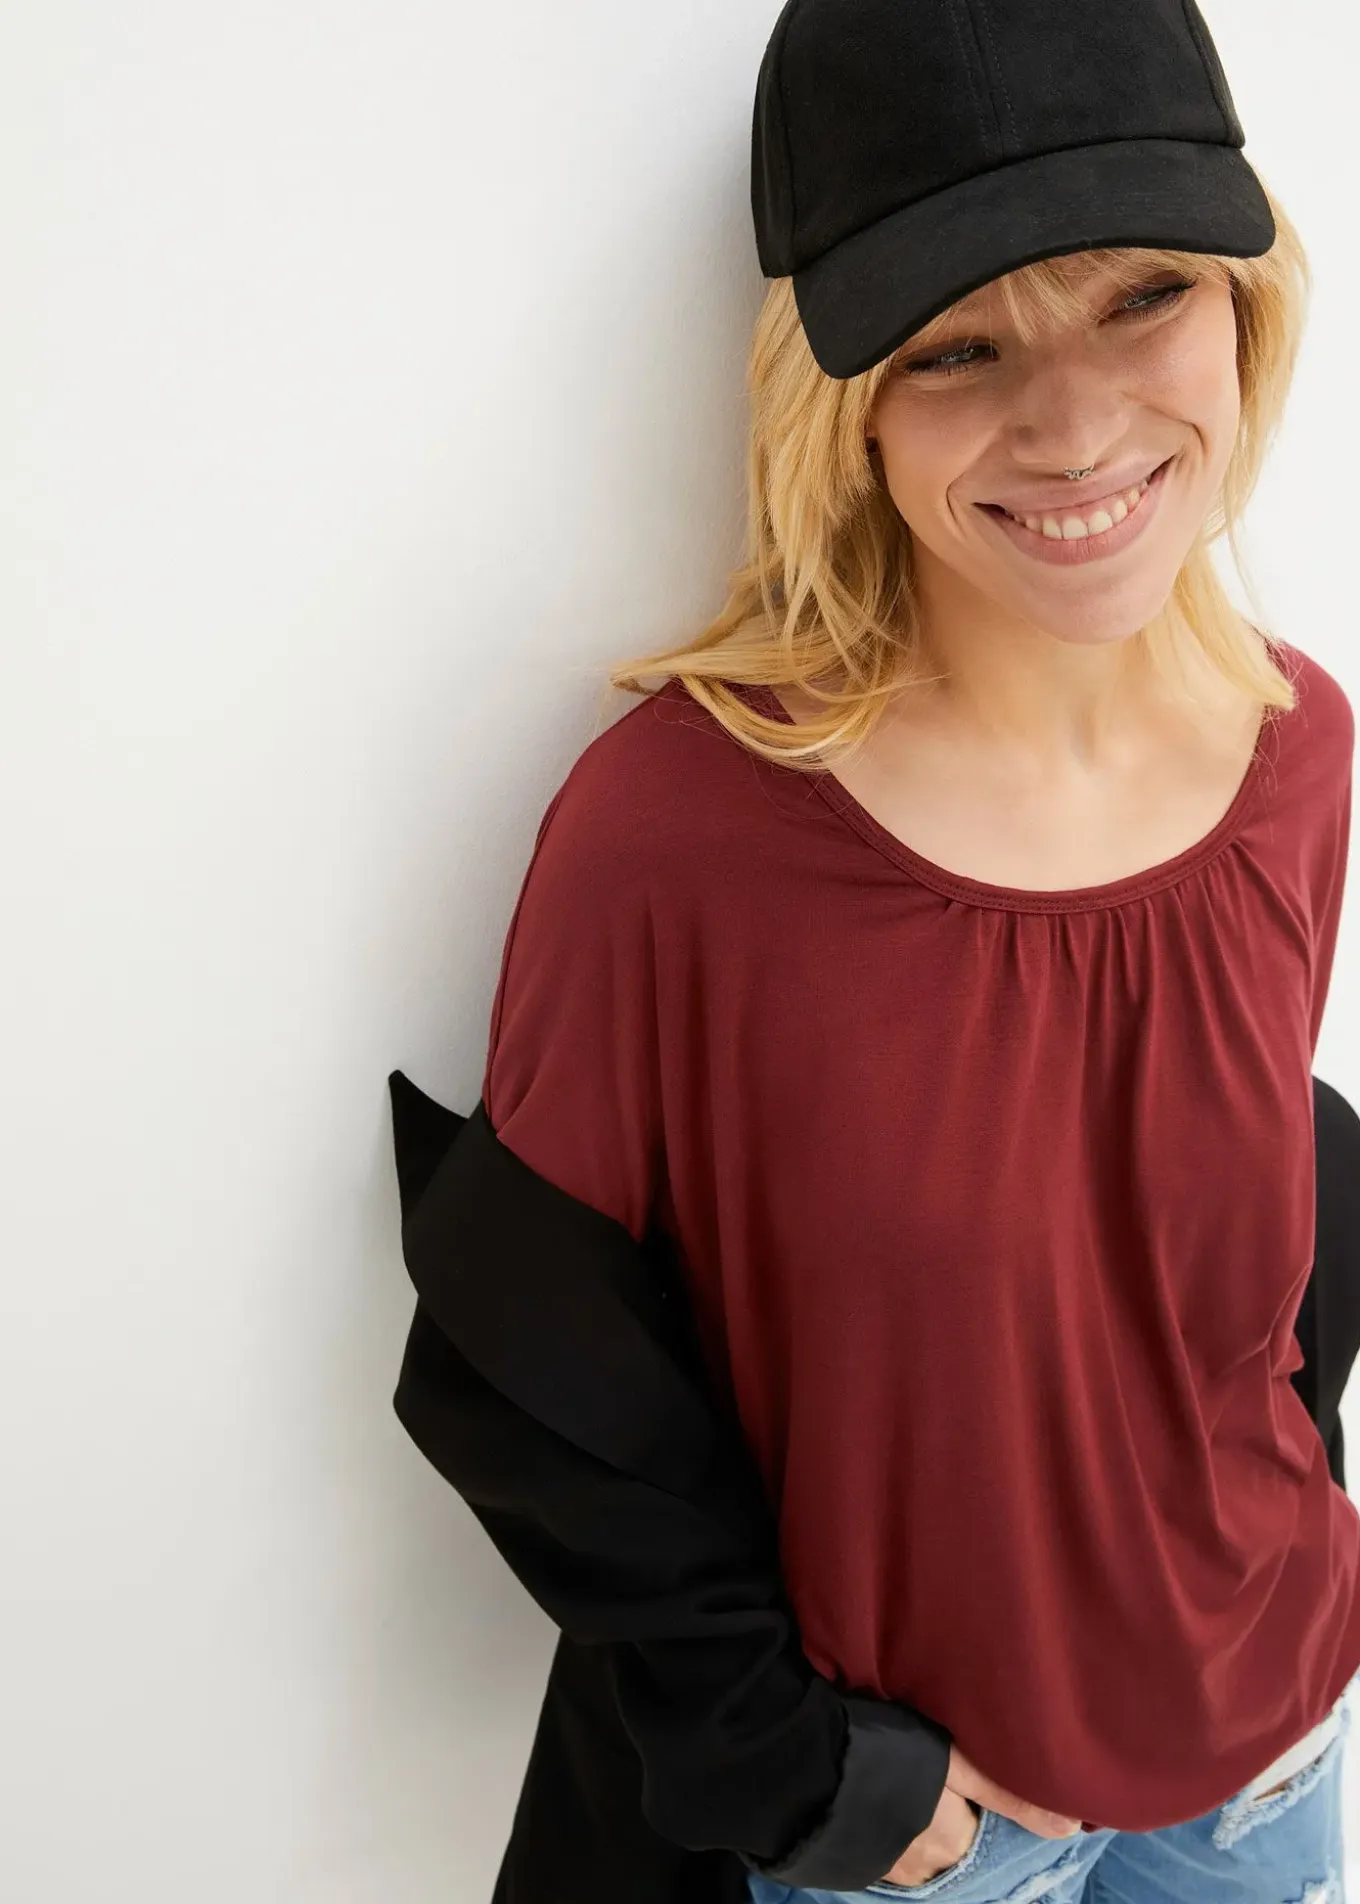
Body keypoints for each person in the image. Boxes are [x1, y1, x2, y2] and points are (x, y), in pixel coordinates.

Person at [388, 3, 1360, 1900]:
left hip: (1269, 1757)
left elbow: (1212, 1250)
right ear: (846, 404)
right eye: (958, 345)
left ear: (1249, 303)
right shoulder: (681, 840)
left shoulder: (1296, 752)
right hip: (926, 1847)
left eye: (1142, 293)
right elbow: (524, 1365)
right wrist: (809, 1773)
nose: (1074, 424)